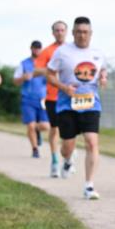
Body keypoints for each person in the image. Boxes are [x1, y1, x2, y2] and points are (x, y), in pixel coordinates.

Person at [47, 16, 108, 200]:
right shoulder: (62, 52)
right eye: (79, 32)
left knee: (91, 142)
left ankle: (89, 185)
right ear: (73, 33)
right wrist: (64, 87)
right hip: (67, 104)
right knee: (67, 146)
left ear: (91, 33)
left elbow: (102, 69)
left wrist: (103, 77)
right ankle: (67, 159)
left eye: (85, 32)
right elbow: (50, 75)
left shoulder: (98, 52)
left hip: (91, 102)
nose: (82, 35)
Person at [36, 21, 69, 177]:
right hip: (53, 96)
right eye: (57, 30)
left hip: (70, 95)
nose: (60, 32)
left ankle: (68, 158)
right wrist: (52, 69)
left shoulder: (73, 50)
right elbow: (37, 70)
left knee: (70, 130)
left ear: (67, 31)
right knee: (54, 129)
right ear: (53, 32)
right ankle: (55, 160)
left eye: (62, 30)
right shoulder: (47, 51)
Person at [14, 40, 51, 158]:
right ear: (31, 48)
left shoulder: (46, 65)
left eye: (39, 48)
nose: (37, 50)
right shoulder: (24, 63)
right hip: (28, 98)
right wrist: (24, 77)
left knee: (45, 126)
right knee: (30, 125)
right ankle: (35, 149)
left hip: (43, 99)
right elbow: (15, 81)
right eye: (35, 48)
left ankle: (37, 131)